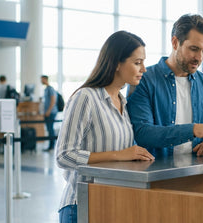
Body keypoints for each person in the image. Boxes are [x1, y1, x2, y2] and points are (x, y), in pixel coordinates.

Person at [55, 31, 155, 223]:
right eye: (137, 62)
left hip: (111, 205)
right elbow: (64, 155)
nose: (144, 69)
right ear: (117, 63)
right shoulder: (85, 97)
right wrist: (120, 154)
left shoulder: (122, 102)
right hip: (81, 206)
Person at [128, 14, 203, 157]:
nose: (199, 57)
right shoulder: (144, 80)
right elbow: (142, 133)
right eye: (194, 49)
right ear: (175, 43)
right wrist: (192, 130)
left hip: (200, 172)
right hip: (157, 172)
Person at [41, 75, 58, 151]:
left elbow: (53, 100)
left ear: (45, 79)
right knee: (49, 129)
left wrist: (48, 111)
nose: (41, 81)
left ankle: (52, 146)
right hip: (48, 112)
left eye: (42, 79)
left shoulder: (50, 89)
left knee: (50, 129)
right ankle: (51, 145)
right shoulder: (46, 89)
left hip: (51, 112)